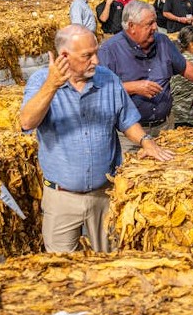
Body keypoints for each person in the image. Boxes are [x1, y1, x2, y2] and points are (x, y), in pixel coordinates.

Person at [20, 24, 174, 253]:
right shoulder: (41, 82)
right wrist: (52, 86)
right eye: (87, 56)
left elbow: (126, 119)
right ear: (64, 56)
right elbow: (27, 122)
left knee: (109, 265)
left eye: (96, 52)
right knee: (62, 271)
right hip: (62, 198)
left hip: (104, 195)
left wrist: (145, 141)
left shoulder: (108, 80)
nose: (96, 61)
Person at [96, 0, 193, 151]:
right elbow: (100, 90)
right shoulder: (109, 51)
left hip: (165, 128)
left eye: (155, 22)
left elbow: (184, 67)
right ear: (131, 26)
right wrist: (133, 87)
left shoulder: (162, 41)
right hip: (130, 136)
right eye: (149, 24)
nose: (155, 27)